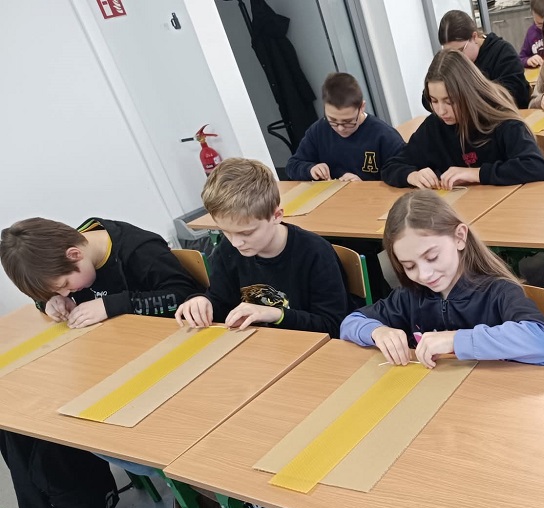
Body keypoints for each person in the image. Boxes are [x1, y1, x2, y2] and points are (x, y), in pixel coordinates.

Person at [340, 189, 544, 370]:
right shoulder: (410, 296)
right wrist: (377, 331)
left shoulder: (497, 290)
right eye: (409, 266)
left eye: (432, 257)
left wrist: (455, 340)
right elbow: (350, 323)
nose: (424, 274)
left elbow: (540, 341)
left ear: (459, 237)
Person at [174, 157, 351, 338]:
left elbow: (332, 325)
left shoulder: (315, 253)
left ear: (276, 216)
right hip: (255, 344)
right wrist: (202, 302)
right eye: (225, 231)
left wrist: (277, 315)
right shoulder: (227, 250)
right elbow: (221, 301)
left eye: (246, 233)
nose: (236, 243)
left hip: (305, 345)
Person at [382, 51, 544, 190]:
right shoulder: (433, 126)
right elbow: (392, 166)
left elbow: (536, 167)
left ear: (468, 94)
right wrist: (412, 175)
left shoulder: (501, 121)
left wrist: (475, 173)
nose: (441, 111)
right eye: (434, 101)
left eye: (450, 102)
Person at [0, 216, 199, 327]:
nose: (66, 293)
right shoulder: (63, 257)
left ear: (74, 255)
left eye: (65, 285)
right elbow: (45, 292)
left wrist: (112, 305)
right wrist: (49, 301)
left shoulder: (140, 250)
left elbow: (184, 295)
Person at [285, 72, 404, 183]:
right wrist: (310, 169)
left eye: (348, 121)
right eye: (332, 120)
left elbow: (403, 174)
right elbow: (292, 166)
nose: (340, 128)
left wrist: (364, 186)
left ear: (361, 107)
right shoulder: (318, 130)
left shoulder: (384, 136)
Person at [434, 9, 531, 108]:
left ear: (474, 37)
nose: (456, 58)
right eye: (450, 53)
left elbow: (516, 94)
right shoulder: (449, 59)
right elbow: (428, 97)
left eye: (460, 50)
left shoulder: (502, 52)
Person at [520, 0, 544, 68]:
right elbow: (520, 58)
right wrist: (528, 60)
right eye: (539, 24)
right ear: (532, 14)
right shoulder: (531, 32)